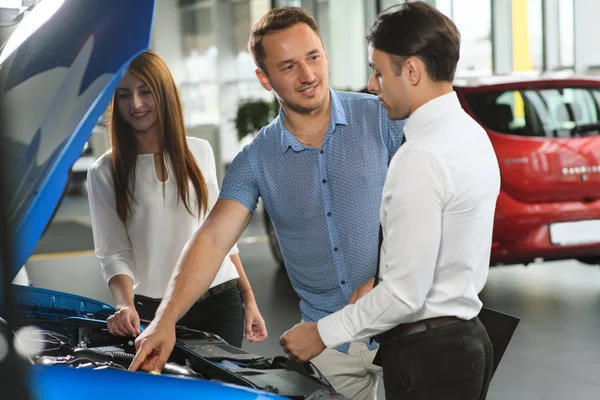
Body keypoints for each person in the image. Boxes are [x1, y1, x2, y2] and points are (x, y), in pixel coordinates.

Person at [128, 8, 405, 400]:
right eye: (288, 66)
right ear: (264, 78)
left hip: (403, 325)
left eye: (313, 57)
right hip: (327, 347)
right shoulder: (256, 159)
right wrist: (165, 319)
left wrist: (383, 273)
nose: (308, 75)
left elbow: (430, 209)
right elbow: (212, 241)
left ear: (325, 54)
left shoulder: (381, 118)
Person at [280, 2, 501, 399]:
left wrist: (320, 333)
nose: (371, 84)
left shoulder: (420, 157)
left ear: (412, 71)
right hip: (466, 342)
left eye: (379, 72)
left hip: (429, 359)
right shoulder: (470, 133)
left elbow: (404, 295)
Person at [87, 50, 267, 348]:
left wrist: (248, 298)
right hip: (152, 311)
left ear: (165, 94)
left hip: (219, 301)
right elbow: (113, 253)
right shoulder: (105, 172)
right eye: (123, 95)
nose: (136, 104)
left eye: (146, 91)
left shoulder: (200, 152)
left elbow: (221, 235)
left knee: (221, 395)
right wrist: (124, 305)